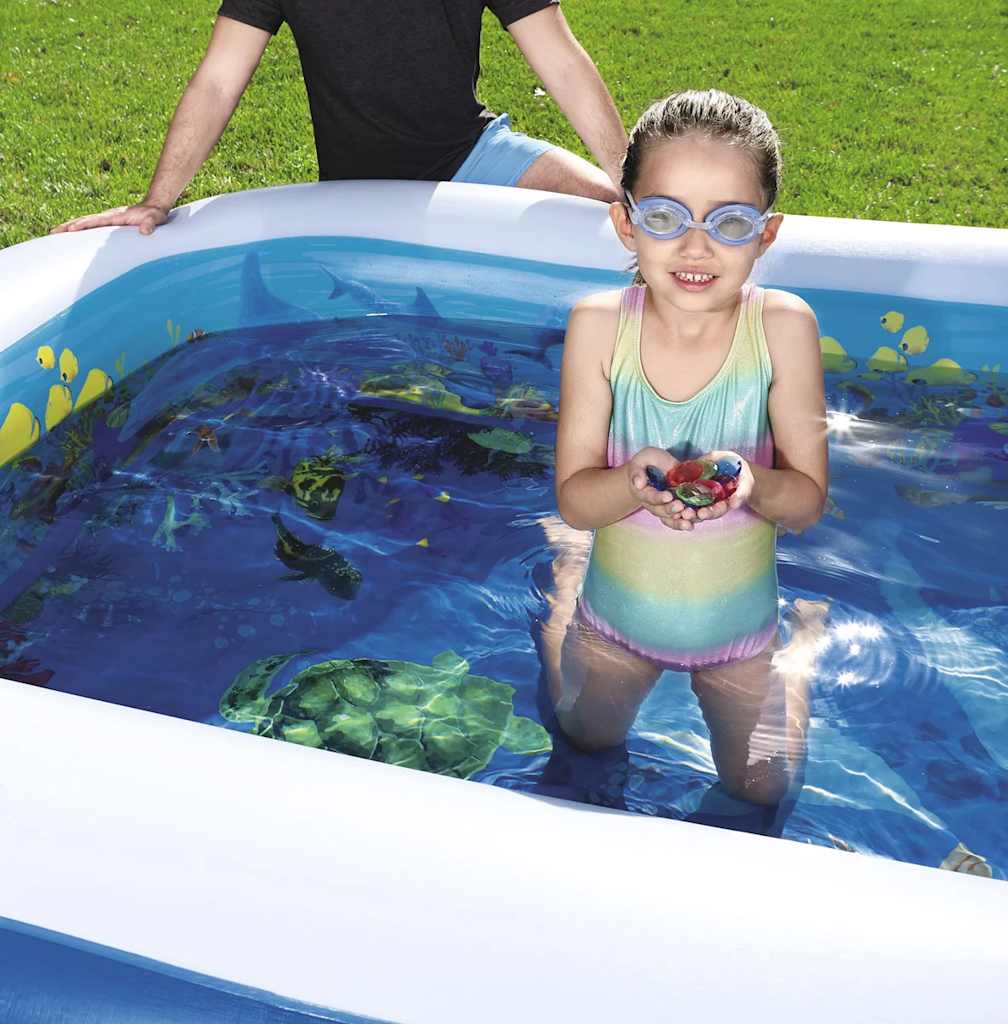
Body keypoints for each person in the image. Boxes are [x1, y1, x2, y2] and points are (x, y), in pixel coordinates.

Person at [540, 89, 829, 811]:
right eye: (666, 218)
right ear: (626, 222)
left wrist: (755, 483)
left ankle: (802, 646)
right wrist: (629, 484)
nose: (696, 249)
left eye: (728, 223)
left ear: (766, 234)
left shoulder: (782, 328)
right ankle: (569, 583)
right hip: (616, 626)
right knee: (582, 736)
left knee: (763, 786)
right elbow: (575, 499)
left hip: (740, 639)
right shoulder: (600, 326)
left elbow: (806, 504)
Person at [52, 2, 625, 236]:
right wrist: (157, 201)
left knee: (610, 213)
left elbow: (561, 60)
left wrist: (632, 182)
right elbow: (218, 81)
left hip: (471, 152)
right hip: (356, 190)